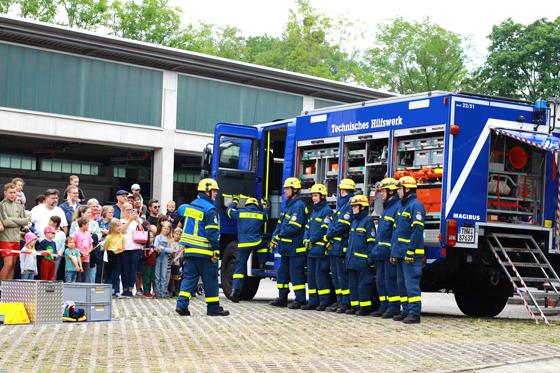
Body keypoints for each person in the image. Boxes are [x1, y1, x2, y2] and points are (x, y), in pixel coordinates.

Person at [175, 178, 229, 317]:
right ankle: (213, 308)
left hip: (190, 251)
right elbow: (212, 232)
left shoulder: (191, 206)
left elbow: (180, 213)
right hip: (205, 251)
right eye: (214, 191)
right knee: (210, 280)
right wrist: (216, 249)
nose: (216, 194)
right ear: (207, 191)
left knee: (188, 279)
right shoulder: (210, 209)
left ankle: (181, 305)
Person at [390, 176, 426, 324]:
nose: (398, 191)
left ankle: (414, 313)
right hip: (400, 253)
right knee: (402, 283)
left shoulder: (416, 206)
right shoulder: (402, 206)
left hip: (410, 254)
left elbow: (417, 231)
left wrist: (411, 250)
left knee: (411, 284)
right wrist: (393, 252)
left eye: (400, 189)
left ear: (408, 189)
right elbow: (397, 232)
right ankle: (405, 310)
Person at [269, 177, 308, 309]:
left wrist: (279, 235)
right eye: (285, 188)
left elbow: (294, 226)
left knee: (296, 274)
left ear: (295, 190)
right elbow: (279, 224)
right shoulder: (288, 206)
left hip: (296, 249)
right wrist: (274, 236)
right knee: (282, 274)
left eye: (287, 188)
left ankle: (300, 299)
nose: (285, 191)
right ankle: (282, 298)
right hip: (286, 248)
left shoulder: (299, 206)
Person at [226, 196, 269, 303]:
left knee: (239, 269)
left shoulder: (240, 213)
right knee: (264, 245)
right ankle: (262, 264)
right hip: (256, 243)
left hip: (243, 245)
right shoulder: (260, 214)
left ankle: (234, 292)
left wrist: (235, 201)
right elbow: (266, 217)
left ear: (247, 205)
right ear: (256, 205)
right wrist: (265, 206)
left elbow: (228, 211)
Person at [369, 178, 401, 318]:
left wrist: (394, 251)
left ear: (391, 192)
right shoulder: (387, 208)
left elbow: (396, 233)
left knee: (390, 281)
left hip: (389, 253)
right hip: (381, 253)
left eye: (383, 191)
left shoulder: (396, 208)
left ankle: (393, 308)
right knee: (380, 281)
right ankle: (384, 307)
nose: (381, 194)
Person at [324, 178, 356, 313]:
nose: (339, 194)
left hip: (341, 246)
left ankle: (345, 302)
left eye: (341, 191)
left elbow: (342, 225)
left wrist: (329, 233)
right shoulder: (342, 207)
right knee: (336, 277)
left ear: (345, 191)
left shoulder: (348, 206)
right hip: (334, 247)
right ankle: (339, 301)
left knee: (342, 277)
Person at [301, 184, 333, 311]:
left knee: (321, 277)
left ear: (323, 196)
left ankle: (324, 301)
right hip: (311, 251)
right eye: (312, 196)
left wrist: (311, 240)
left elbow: (324, 229)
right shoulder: (314, 211)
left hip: (320, 250)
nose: (313, 198)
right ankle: (313, 301)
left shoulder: (327, 211)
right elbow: (307, 227)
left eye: (315, 196)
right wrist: (305, 238)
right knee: (312, 277)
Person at [346, 195, 376, 316]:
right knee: (353, 285)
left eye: (355, 206)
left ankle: (364, 307)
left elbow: (371, 241)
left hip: (363, 261)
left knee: (363, 285)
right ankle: (355, 306)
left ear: (362, 207)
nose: (353, 208)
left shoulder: (368, 221)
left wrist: (370, 258)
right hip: (352, 260)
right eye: (352, 206)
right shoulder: (354, 222)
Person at [0, 182, 30, 282]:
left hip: (16, 239)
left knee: (13, 265)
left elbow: (25, 221)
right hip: (5, 239)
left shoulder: (20, 206)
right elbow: (5, 222)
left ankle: (8, 289)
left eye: (14, 192)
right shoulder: (1, 205)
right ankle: (1, 288)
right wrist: (18, 221)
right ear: (5, 193)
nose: (13, 194)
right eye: (10, 192)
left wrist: (12, 219)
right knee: (7, 264)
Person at [120, 202, 144, 297]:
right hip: (125, 248)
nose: (130, 211)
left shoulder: (138, 220)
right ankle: (125, 288)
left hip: (136, 247)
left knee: (133, 269)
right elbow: (122, 231)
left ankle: (130, 288)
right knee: (125, 268)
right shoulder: (121, 220)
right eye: (128, 209)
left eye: (131, 209)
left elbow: (142, 231)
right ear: (123, 211)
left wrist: (138, 221)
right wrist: (129, 220)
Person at [103, 218, 125, 296]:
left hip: (119, 255)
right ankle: (108, 290)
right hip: (110, 255)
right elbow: (105, 247)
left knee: (117, 274)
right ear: (112, 227)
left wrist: (120, 249)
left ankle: (117, 290)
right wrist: (111, 250)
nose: (119, 227)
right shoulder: (109, 237)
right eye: (117, 226)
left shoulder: (122, 237)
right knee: (109, 273)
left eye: (120, 225)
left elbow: (123, 247)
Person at [154, 221, 174, 298]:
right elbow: (155, 247)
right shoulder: (158, 237)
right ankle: (157, 292)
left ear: (169, 230)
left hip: (165, 258)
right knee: (157, 275)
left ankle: (163, 292)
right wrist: (164, 249)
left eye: (167, 229)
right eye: (164, 228)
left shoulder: (170, 239)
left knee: (163, 275)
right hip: (158, 257)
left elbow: (171, 250)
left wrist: (162, 248)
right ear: (162, 228)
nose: (166, 230)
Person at [74, 217, 95, 283]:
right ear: (83, 225)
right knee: (78, 275)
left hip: (86, 258)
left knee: (85, 275)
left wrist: (88, 252)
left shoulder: (88, 233)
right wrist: (81, 253)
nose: (88, 226)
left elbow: (91, 245)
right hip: (78, 258)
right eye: (87, 224)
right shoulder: (76, 234)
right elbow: (74, 246)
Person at [168, 227, 183, 297]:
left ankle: (176, 291)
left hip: (177, 262)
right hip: (170, 262)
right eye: (176, 234)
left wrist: (176, 259)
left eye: (180, 234)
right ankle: (171, 290)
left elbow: (180, 254)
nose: (178, 236)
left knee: (176, 277)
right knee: (170, 277)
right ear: (173, 234)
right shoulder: (170, 242)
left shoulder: (181, 244)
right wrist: (172, 259)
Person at [142, 233, 157, 298]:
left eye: (152, 237)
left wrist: (158, 252)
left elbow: (156, 255)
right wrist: (150, 253)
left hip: (153, 265)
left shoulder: (154, 246)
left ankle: (149, 291)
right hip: (147, 265)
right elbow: (144, 256)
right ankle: (146, 292)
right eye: (149, 237)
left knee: (151, 278)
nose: (151, 239)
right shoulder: (145, 246)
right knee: (146, 279)